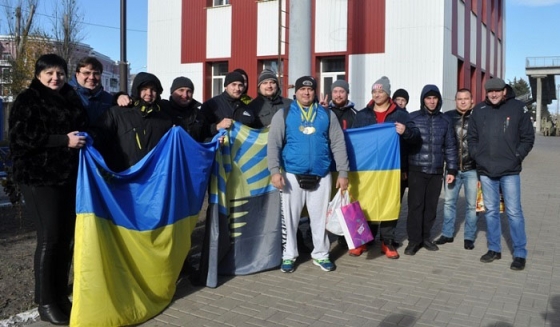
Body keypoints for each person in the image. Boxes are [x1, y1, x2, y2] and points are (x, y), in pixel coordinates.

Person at [8, 54, 88, 325]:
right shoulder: (28, 99)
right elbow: (20, 139)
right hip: (38, 178)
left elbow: (84, 126)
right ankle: (45, 302)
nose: (56, 78)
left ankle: (59, 295)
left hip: (66, 178)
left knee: (65, 238)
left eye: (60, 73)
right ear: (39, 74)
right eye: (50, 73)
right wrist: (62, 140)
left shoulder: (70, 97)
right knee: (50, 238)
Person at [267, 76, 349, 273]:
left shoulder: (327, 115)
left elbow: (338, 144)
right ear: (295, 92)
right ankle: (289, 255)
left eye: (310, 89)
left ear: (315, 92)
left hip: (321, 175)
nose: (306, 92)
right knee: (290, 218)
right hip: (292, 175)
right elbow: (274, 144)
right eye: (302, 89)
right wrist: (274, 171)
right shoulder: (284, 114)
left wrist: (343, 172)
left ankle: (321, 254)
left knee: (319, 218)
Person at [467, 78, 534, 270]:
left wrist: (517, 156)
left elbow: (528, 137)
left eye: (497, 91)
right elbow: (472, 137)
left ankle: (520, 253)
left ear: (504, 91)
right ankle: (494, 249)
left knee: (513, 212)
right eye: (490, 91)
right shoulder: (478, 111)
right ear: (486, 93)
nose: (494, 94)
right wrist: (476, 156)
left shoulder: (518, 108)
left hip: (510, 171)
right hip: (487, 171)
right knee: (491, 212)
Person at [353, 76, 421, 259]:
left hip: (393, 169)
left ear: (388, 93)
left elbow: (416, 137)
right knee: (366, 203)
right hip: (367, 170)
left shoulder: (400, 114)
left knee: (390, 203)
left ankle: (387, 241)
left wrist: (405, 131)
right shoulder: (362, 115)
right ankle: (364, 240)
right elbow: (353, 141)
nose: (377, 94)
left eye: (380, 91)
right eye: (374, 91)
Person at [405, 84, 457, 255]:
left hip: (436, 171)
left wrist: (451, 170)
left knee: (431, 207)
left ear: (439, 100)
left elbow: (450, 146)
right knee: (415, 206)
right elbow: (405, 145)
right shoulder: (412, 118)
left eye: (435, 98)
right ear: (423, 100)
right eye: (428, 98)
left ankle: (426, 238)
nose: (432, 101)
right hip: (416, 170)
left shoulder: (445, 121)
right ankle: (413, 241)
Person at [90, 72, 174, 172]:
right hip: (125, 178)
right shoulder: (118, 112)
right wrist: (85, 138)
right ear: (136, 90)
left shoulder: (164, 119)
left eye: (153, 89)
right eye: (144, 89)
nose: (149, 93)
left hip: (154, 179)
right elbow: (98, 134)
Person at [435, 88, 478, 250]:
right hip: (452, 169)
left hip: (472, 168)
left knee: (472, 205)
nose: (463, 101)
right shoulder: (447, 117)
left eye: (466, 98)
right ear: (455, 100)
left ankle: (469, 236)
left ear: (471, 100)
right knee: (449, 203)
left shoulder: (478, 117)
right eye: (460, 99)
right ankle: (447, 233)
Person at [68, 56, 130, 123]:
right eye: (87, 73)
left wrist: (120, 97)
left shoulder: (109, 100)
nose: (91, 77)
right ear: (77, 74)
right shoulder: (65, 95)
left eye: (96, 73)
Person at [200, 71, 256, 136]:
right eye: (234, 84)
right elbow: (200, 132)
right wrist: (217, 127)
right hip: (220, 145)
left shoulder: (247, 109)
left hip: (241, 146)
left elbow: (254, 134)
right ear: (226, 86)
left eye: (240, 85)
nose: (237, 89)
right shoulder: (211, 105)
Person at [166, 76, 209, 142]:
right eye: (181, 90)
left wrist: (215, 141)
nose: (185, 95)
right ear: (172, 92)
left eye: (189, 91)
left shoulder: (198, 115)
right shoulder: (164, 111)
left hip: (193, 151)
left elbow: (204, 138)